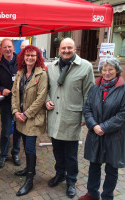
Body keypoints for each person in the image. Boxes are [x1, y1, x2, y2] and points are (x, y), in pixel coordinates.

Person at [45, 38, 94, 198]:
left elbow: (89, 95)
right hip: (54, 116)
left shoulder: (85, 67)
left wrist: (85, 116)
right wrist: (47, 101)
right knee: (57, 151)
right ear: (59, 50)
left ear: (75, 49)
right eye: (63, 48)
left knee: (71, 154)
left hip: (72, 117)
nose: (66, 51)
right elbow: (46, 89)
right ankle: (60, 174)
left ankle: (71, 181)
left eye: (69, 48)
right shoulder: (51, 67)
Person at [79, 58, 125, 200]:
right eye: (104, 69)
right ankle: (92, 193)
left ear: (117, 70)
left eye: (110, 69)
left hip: (114, 135)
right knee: (94, 165)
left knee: (111, 168)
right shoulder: (95, 87)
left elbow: (122, 114)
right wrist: (94, 125)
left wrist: (104, 127)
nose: (107, 72)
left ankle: (107, 196)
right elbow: (87, 109)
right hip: (95, 133)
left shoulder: (123, 89)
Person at [12, 45, 48, 196]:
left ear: (37, 57)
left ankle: (29, 179)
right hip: (21, 117)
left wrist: (26, 114)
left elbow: (41, 98)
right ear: (23, 57)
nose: (30, 58)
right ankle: (28, 168)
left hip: (33, 118)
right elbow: (14, 93)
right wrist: (15, 111)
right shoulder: (20, 73)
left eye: (33, 55)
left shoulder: (42, 74)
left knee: (30, 147)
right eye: (27, 56)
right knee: (25, 144)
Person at [0, 38, 21, 168]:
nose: (7, 49)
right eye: (5, 47)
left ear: (13, 48)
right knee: (5, 131)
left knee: (18, 130)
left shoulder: (21, 63)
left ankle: (15, 153)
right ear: (1, 49)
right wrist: (1, 89)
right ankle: (3, 155)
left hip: (20, 102)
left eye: (9, 47)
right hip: (6, 103)